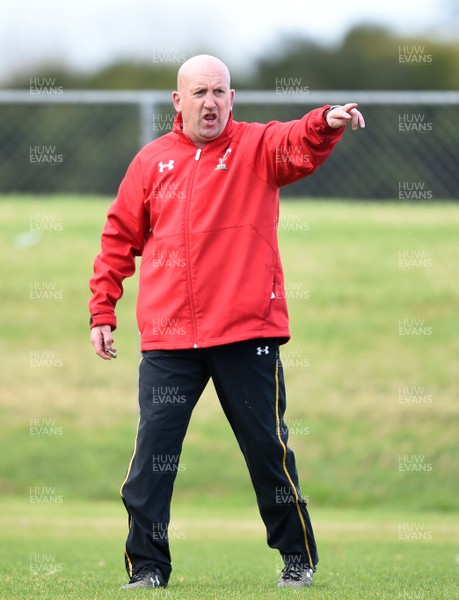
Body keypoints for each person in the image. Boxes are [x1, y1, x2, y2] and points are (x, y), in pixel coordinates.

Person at [89, 54, 365, 590]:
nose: (210, 102)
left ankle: (298, 559)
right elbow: (118, 238)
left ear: (232, 99)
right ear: (178, 101)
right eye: (199, 93)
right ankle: (146, 569)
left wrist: (325, 119)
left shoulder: (255, 148)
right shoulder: (151, 163)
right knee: (153, 460)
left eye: (219, 92)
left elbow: (296, 142)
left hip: (247, 333)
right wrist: (103, 309)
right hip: (169, 340)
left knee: (267, 450)